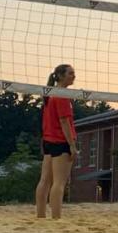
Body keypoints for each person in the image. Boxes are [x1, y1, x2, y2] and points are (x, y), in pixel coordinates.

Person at [36, 64, 79, 219]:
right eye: (70, 73)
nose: (74, 76)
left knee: (44, 181)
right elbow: (64, 122)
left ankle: (40, 216)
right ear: (60, 76)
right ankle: (56, 218)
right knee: (59, 183)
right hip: (60, 142)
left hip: (48, 140)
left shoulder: (50, 94)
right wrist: (72, 146)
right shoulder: (61, 95)